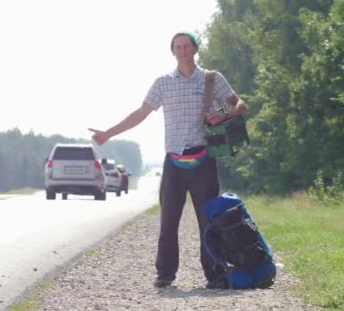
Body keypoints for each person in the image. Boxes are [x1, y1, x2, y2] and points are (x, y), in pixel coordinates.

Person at [88, 31, 248, 289]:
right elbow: (140, 113)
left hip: (204, 159)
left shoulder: (211, 79)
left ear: (195, 49)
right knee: (168, 221)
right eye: (178, 47)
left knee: (208, 221)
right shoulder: (162, 83)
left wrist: (223, 114)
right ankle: (165, 274)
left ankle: (215, 274)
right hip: (174, 160)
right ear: (172, 51)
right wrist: (108, 133)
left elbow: (241, 105)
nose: (183, 50)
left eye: (187, 46)